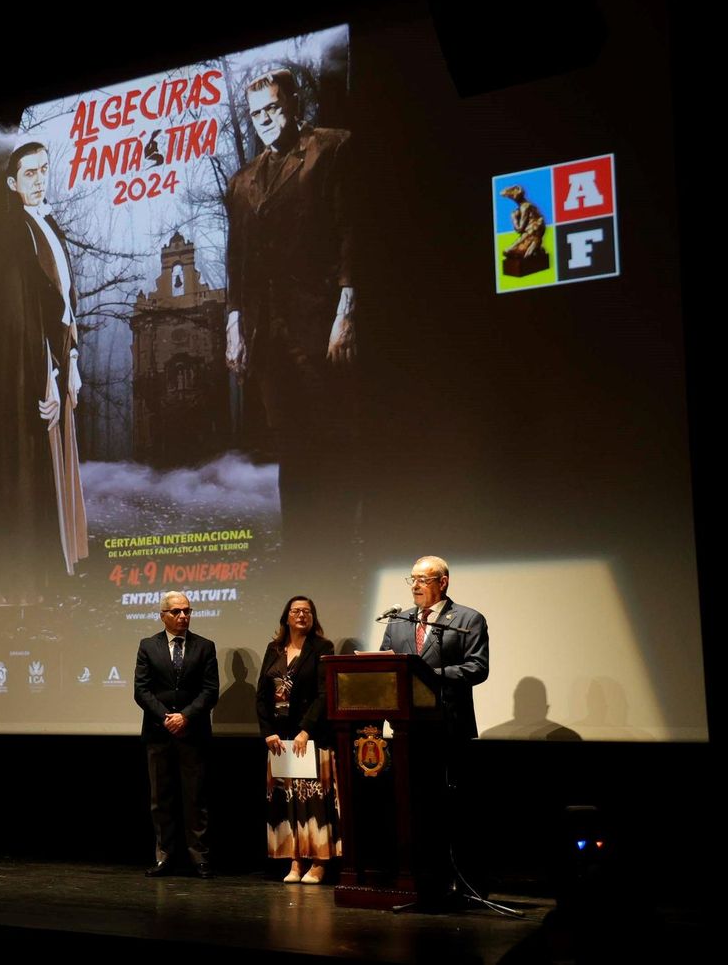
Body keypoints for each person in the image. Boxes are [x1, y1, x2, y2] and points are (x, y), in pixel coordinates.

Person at [223, 68, 357, 575]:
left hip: (321, 327)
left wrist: (348, 313)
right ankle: (305, 566)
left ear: (294, 102)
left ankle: (341, 557)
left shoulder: (333, 149)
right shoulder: (242, 182)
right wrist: (234, 326)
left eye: (273, 108)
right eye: (256, 113)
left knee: (333, 442)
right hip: (268, 338)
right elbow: (237, 262)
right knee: (291, 450)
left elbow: (351, 235)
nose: (265, 120)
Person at [0, 141, 88, 602]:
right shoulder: (14, 232)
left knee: (58, 458)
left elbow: (65, 300)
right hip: (37, 363)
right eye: (29, 174)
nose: (40, 180)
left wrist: (74, 361)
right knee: (36, 462)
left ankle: (56, 574)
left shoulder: (51, 226)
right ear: (12, 182)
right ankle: (32, 589)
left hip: (61, 357)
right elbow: (20, 313)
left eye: (44, 170)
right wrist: (44, 371)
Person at [134, 590, 219, 877]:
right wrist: (166, 718)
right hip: (158, 734)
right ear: (163, 615)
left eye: (187, 611)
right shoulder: (148, 646)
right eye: (176, 612)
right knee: (161, 799)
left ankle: (200, 858)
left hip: (193, 733)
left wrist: (185, 717)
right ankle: (164, 857)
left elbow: (210, 691)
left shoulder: (205, 646)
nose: (183, 616)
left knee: (195, 799)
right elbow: (141, 690)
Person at [257, 595, 340, 884]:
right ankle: (295, 861)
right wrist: (268, 731)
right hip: (280, 739)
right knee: (287, 801)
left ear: (313, 617)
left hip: (311, 737)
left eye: (307, 611)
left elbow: (323, 694)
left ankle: (318, 862)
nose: (301, 615)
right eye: (296, 611)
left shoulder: (322, 647)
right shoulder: (274, 648)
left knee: (314, 802)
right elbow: (262, 694)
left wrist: (306, 730)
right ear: (286, 617)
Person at [378, 556, 490, 742]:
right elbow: (384, 666)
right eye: (412, 579)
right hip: (405, 727)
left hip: (450, 725)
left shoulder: (468, 619)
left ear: (443, 582)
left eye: (422, 580)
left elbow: (478, 667)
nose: (414, 586)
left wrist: (428, 674)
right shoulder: (398, 620)